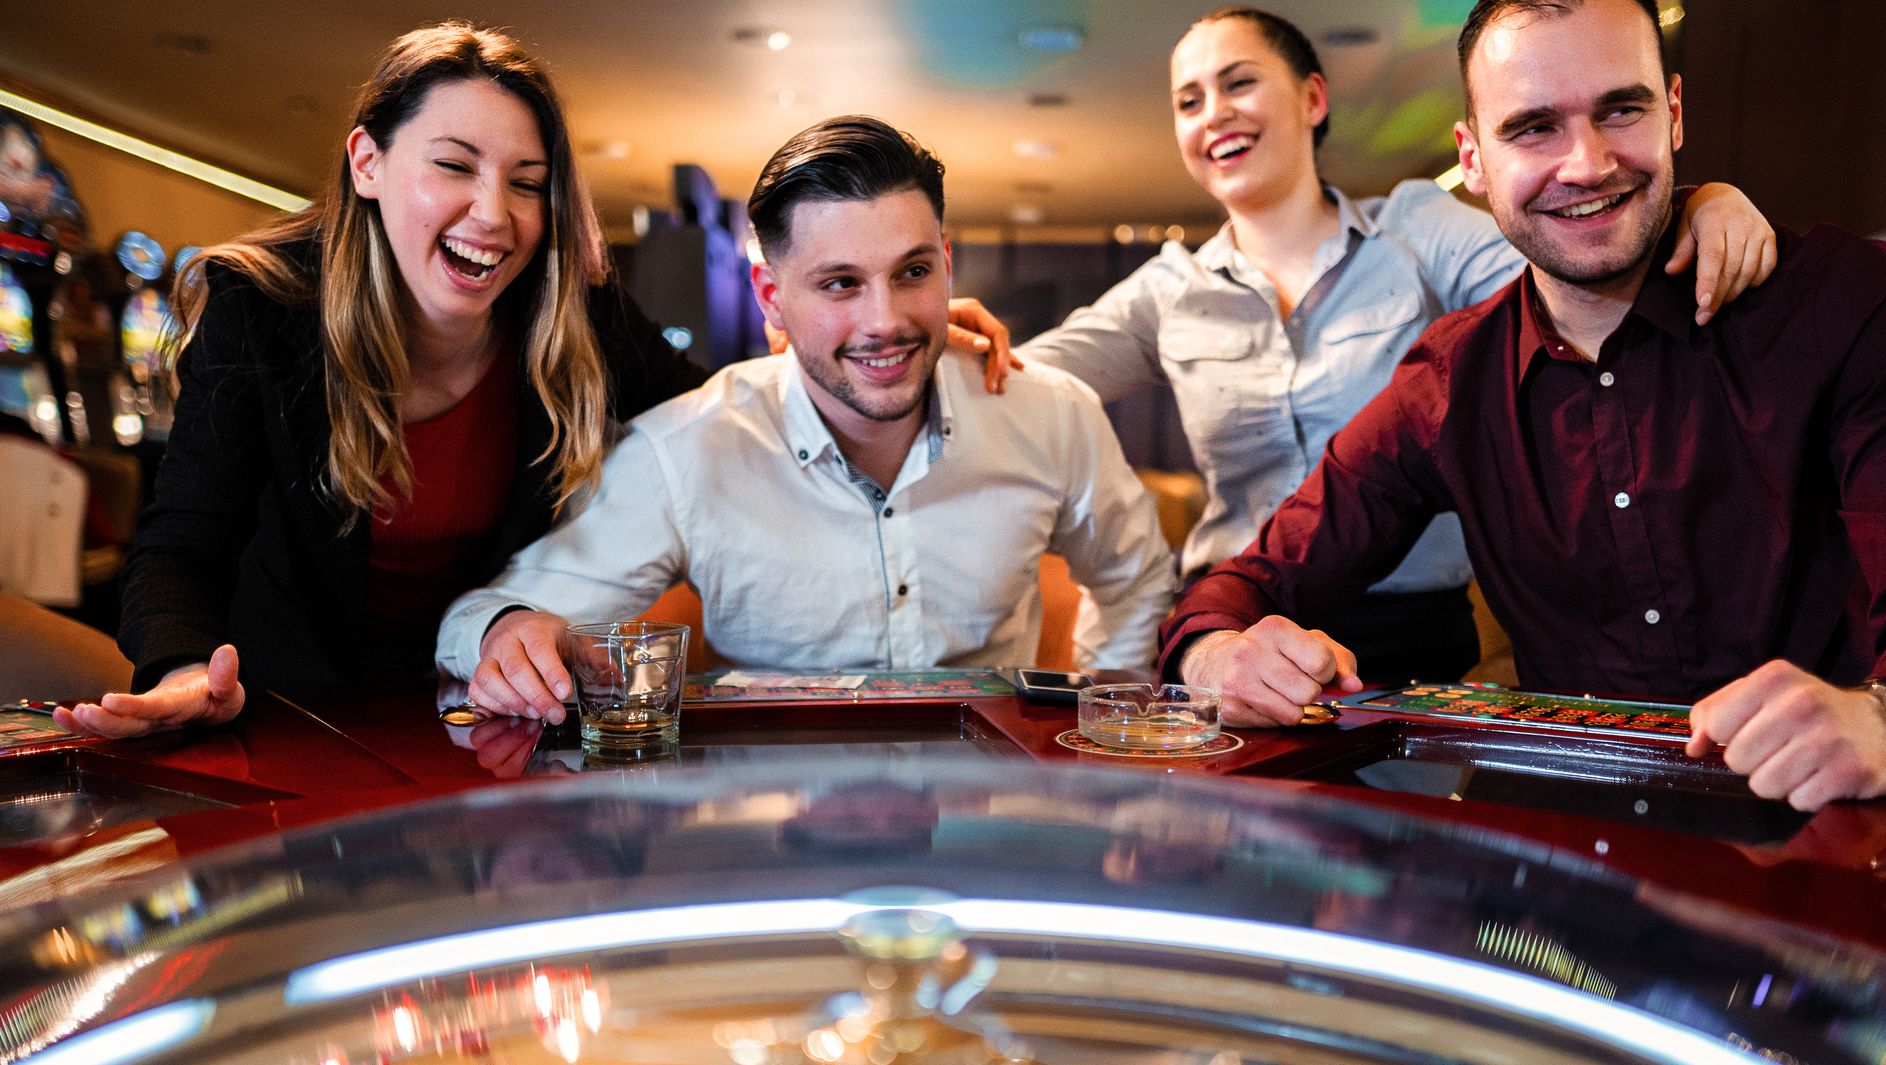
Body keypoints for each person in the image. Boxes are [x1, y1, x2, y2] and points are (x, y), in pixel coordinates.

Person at [1166, 0, 1886, 809]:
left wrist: (1879, 717)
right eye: (1534, 128)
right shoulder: (1447, 380)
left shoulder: (1837, 302)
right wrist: (1215, 656)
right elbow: (1246, 584)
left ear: (1674, 114)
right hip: (1559, 854)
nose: (1586, 165)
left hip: (1824, 834)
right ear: (1473, 159)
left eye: (1621, 111)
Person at [946, 7, 1776, 683]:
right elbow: (1022, 377)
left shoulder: (1412, 226)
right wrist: (937, 332)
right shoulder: (1167, 288)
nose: (1214, 113)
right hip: (1234, 629)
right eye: (1189, 101)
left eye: (1239, 82)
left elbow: (1566, 265)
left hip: (1411, 633)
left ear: (1313, 98)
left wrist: (1696, 204)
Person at [53, 23, 703, 740]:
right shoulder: (263, 306)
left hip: (493, 716)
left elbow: (714, 429)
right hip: (291, 715)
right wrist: (185, 669)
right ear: (368, 163)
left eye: (526, 184)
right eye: (453, 166)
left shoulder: (576, 309)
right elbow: (184, 544)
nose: (494, 214)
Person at [442, 117, 1174, 716]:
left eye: (913, 272)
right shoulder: (690, 448)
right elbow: (488, 616)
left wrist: (1093, 724)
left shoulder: (1050, 414)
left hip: (987, 815)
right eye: (840, 284)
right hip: (774, 813)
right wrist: (512, 636)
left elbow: (1136, 579)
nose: (884, 321)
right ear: (771, 298)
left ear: (947, 265)